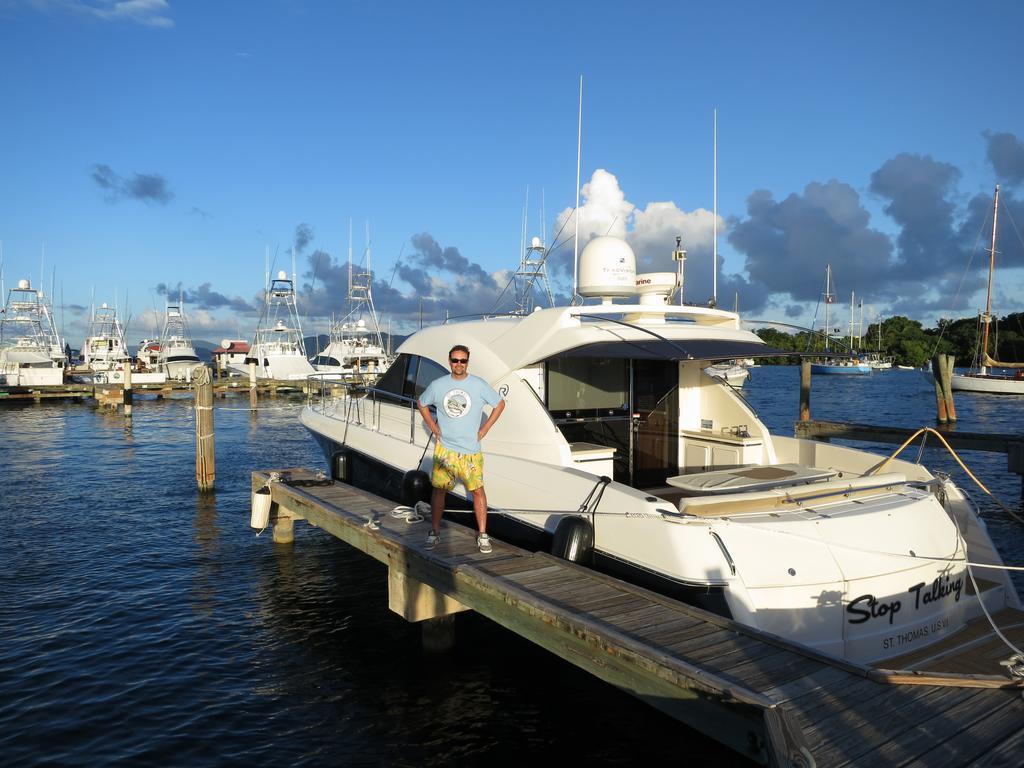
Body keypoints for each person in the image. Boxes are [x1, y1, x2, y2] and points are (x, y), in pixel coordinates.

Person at [416, 345, 505, 553]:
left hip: (471, 451)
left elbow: (499, 404)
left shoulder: (478, 385)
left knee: (478, 491)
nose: (458, 364)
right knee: (439, 491)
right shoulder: (438, 385)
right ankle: (435, 532)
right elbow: (421, 403)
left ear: (467, 363)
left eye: (462, 361)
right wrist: (433, 426)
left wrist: (485, 429)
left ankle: (483, 534)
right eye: (455, 360)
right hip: (445, 450)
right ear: (449, 362)